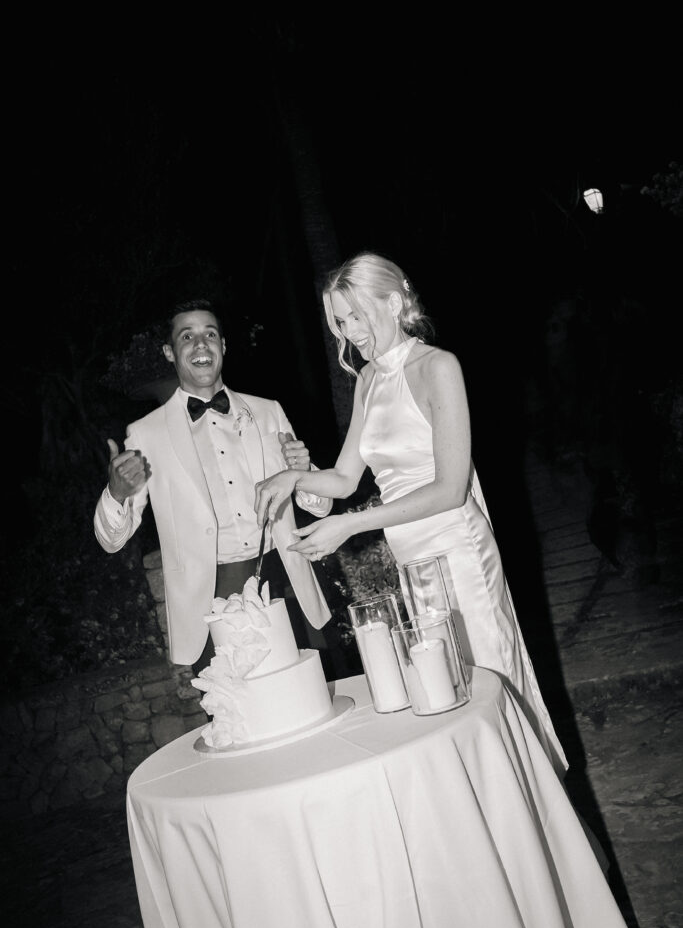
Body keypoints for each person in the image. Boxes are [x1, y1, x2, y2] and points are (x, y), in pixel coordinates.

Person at [255, 253, 567, 774]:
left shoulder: (438, 367)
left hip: (458, 555)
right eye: (339, 321)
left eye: (357, 315)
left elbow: (450, 490)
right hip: (414, 564)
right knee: (450, 694)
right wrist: (294, 477)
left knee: (490, 687)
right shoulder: (368, 381)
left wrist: (350, 524)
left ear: (395, 302)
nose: (350, 331)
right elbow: (345, 479)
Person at [94, 298, 332, 677]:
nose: (200, 344)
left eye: (210, 334)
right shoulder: (146, 434)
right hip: (210, 596)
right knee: (244, 719)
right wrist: (118, 492)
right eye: (187, 336)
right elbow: (112, 540)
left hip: (284, 578)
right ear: (169, 353)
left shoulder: (269, 411)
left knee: (309, 696)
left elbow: (319, 506)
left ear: (223, 346)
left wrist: (304, 473)